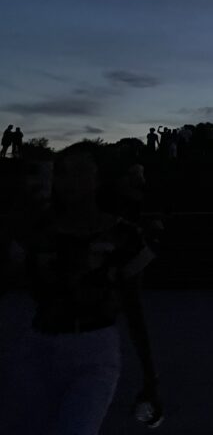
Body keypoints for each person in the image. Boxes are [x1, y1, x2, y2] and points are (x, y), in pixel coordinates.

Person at [1, 150, 163, 433]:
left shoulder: (123, 235)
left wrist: (150, 377)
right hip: (40, 345)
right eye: (63, 173)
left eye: (80, 171)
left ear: (96, 179)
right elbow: (14, 280)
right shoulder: (40, 232)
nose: (70, 181)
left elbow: (134, 306)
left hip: (95, 348)